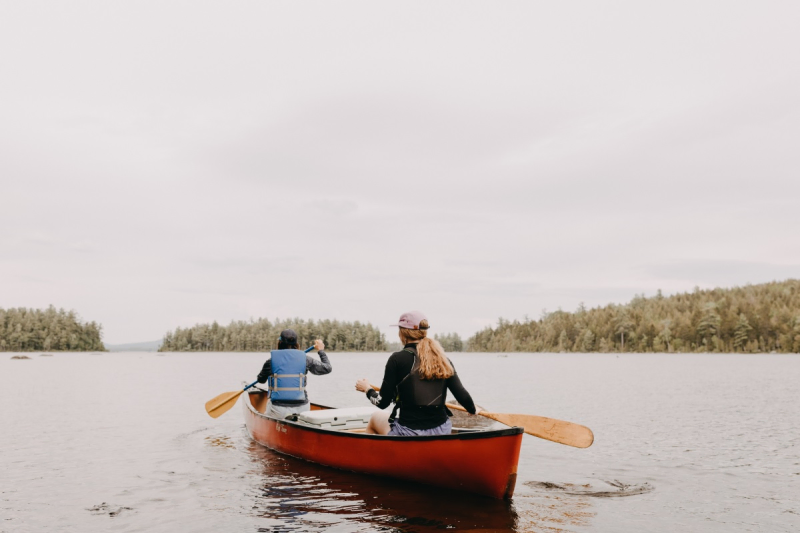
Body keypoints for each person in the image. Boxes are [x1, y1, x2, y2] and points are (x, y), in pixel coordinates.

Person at [355, 311, 476, 435]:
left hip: (409, 433)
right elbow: (462, 394)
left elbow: (382, 403)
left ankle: (378, 453)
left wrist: (367, 389)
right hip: (442, 431)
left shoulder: (397, 359)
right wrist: (472, 409)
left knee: (375, 418)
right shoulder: (443, 359)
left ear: (403, 333)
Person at [256, 329, 331, 419]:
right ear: (296, 344)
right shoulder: (305, 359)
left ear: (279, 343)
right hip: (302, 409)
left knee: (266, 409)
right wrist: (321, 350)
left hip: (278, 409)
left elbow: (261, 380)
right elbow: (327, 368)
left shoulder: (271, 361)